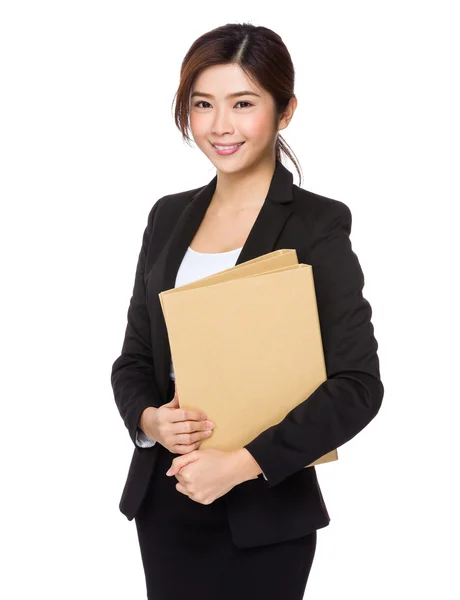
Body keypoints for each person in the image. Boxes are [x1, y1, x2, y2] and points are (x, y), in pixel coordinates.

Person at [110, 22, 384, 600]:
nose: (219, 125)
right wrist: (150, 421)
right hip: (167, 497)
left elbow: (358, 385)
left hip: (264, 512)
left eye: (243, 103)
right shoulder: (167, 217)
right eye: (203, 104)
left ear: (284, 111)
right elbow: (134, 358)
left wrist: (240, 464)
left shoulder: (317, 224)